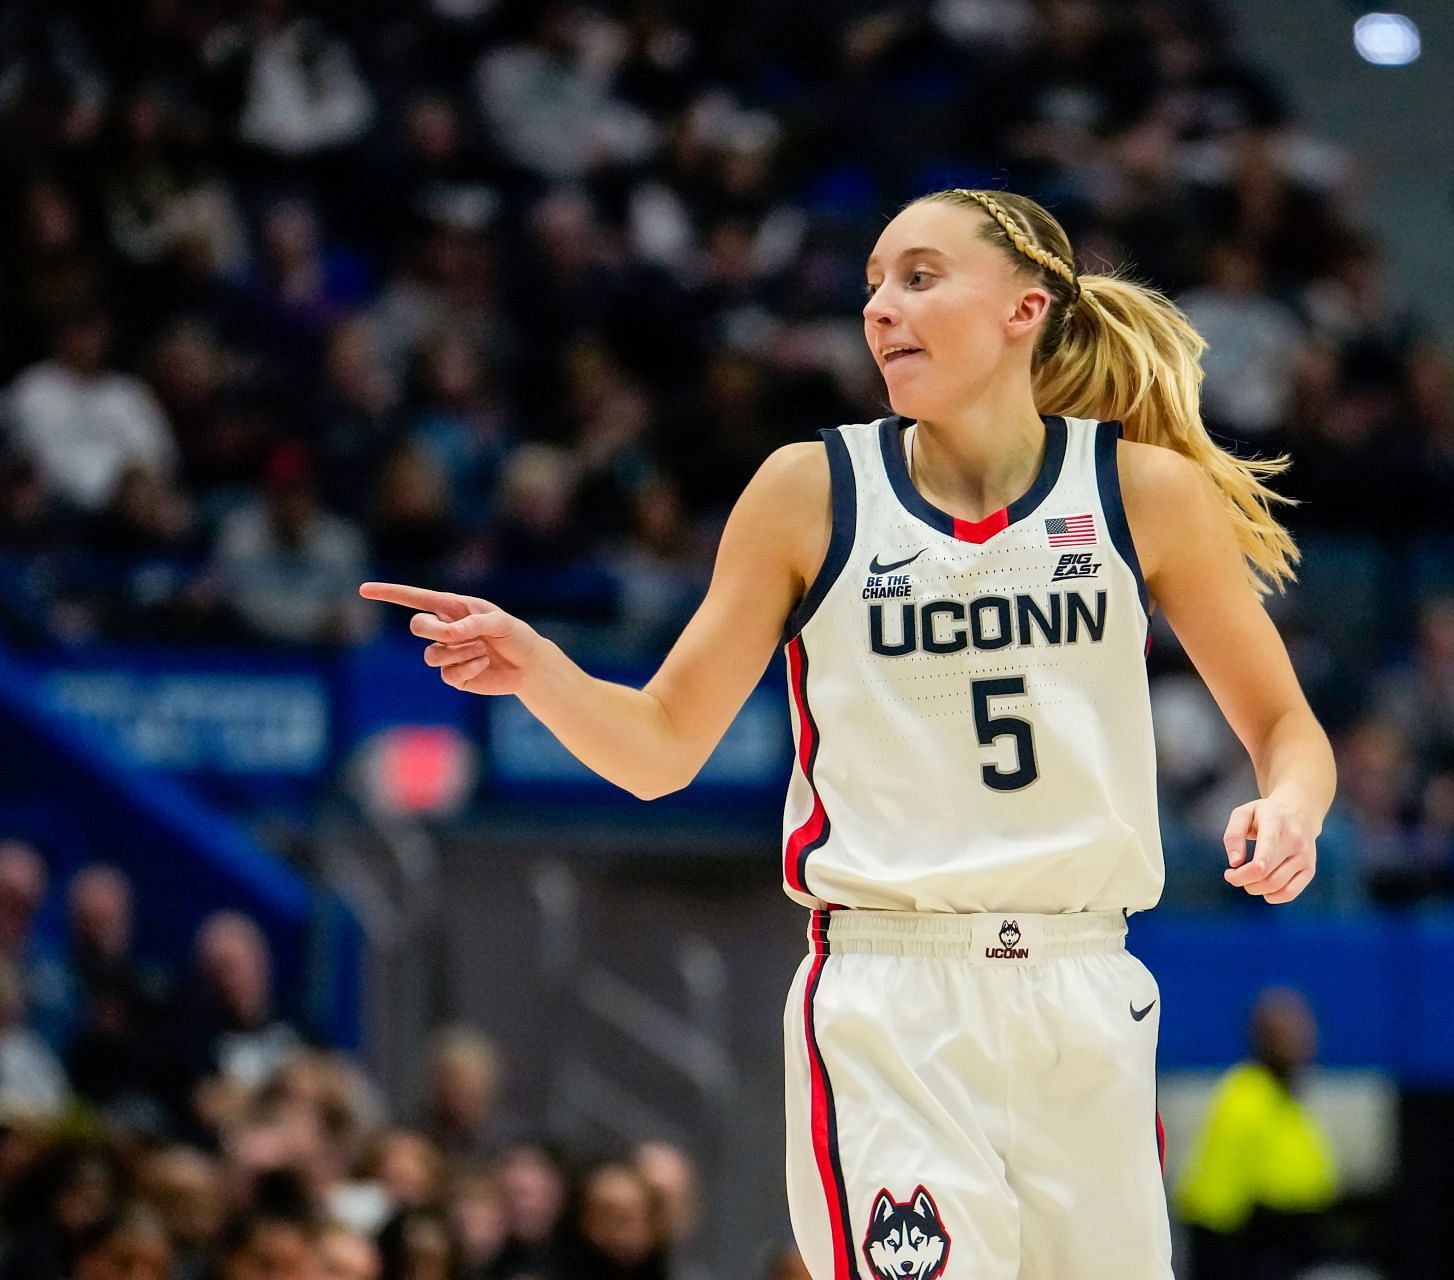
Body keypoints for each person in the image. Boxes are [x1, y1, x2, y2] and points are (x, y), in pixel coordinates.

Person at [362, 187, 1336, 1279]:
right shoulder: (809, 490)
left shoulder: (1139, 491)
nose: (881, 308)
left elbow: (1286, 724)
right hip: (891, 993)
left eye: (919, 276)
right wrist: (541, 670)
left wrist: (1289, 805)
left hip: (1085, 986)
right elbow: (660, 745)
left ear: (1026, 307)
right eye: (872, 284)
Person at [1175, 988, 1340, 1279]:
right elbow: (1213, 1206)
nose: (1304, 1041)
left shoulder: (1283, 1096)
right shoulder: (1246, 1098)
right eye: (1288, 1032)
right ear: (1264, 1038)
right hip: (1247, 1247)